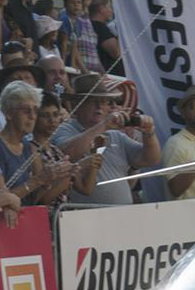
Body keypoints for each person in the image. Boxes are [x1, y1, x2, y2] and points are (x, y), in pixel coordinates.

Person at [53, 73, 160, 204]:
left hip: (120, 214)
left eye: (104, 101)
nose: (99, 106)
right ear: (77, 104)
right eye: (93, 101)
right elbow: (66, 153)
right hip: (82, 216)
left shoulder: (115, 135)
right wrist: (104, 125)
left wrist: (149, 133)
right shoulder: (65, 129)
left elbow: (150, 159)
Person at [0, 81, 72, 204]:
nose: (32, 116)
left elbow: (32, 200)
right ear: (8, 113)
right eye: (26, 110)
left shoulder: (26, 146)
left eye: (35, 110)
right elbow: (0, 199)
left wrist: (49, 179)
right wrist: (38, 180)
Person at [30, 91, 101, 212]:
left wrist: (95, 156)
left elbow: (86, 189)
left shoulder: (56, 151)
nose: (52, 120)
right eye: (45, 115)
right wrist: (74, 170)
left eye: (56, 114)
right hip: (47, 220)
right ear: (34, 118)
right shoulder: (32, 149)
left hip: (64, 219)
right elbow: (43, 199)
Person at [59, 0, 99, 73]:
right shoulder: (64, 19)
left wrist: (73, 64)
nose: (76, 5)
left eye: (79, 3)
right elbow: (64, 42)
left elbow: (74, 45)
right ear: (65, 5)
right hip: (60, 55)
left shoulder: (78, 22)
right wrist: (62, 62)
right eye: (72, 3)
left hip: (69, 57)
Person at [88, 0, 123, 76]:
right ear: (101, 8)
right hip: (109, 77)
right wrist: (121, 31)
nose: (111, 10)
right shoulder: (100, 28)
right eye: (109, 7)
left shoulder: (91, 26)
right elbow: (116, 53)